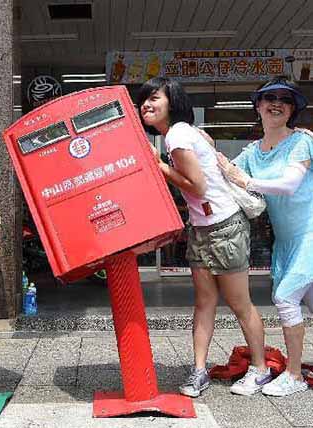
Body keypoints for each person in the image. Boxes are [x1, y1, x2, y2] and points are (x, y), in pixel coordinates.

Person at [137, 77, 271, 397]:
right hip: (203, 228)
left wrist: (159, 167)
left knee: (239, 304)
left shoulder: (179, 135)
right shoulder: (185, 133)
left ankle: (261, 369)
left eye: (154, 98)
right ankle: (199, 370)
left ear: (174, 102)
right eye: (143, 100)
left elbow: (196, 186)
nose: (146, 105)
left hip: (224, 227)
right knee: (204, 303)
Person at [218, 77, 313, 397]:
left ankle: (295, 376)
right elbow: (223, 173)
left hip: (310, 234)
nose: (276, 103)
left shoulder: (301, 142)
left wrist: (245, 181)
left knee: (286, 297)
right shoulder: (252, 152)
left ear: (292, 110)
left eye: (285, 100)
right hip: (285, 241)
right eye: (268, 97)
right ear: (257, 106)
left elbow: (288, 185)